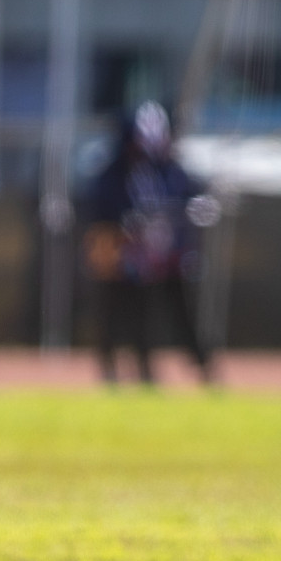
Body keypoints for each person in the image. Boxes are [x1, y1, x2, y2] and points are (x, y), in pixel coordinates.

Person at [83, 100, 214, 384]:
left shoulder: (165, 170)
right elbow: (101, 212)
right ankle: (116, 372)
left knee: (174, 314)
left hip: (161, 258)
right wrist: (125, 226)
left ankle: (198, 370)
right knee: (118, 315)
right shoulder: (112, 174)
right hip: (119, 256)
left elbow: (183, 200)